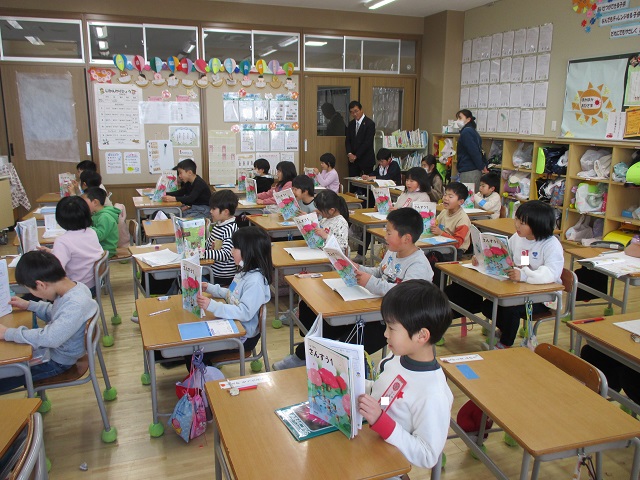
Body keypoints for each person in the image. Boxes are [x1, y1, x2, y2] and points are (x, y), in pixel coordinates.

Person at [274, 208, 432, 370]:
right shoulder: (393, 252)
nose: (385, 236)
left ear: (406, 238)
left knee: (347, 345)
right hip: (372, 308)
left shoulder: (418, 265)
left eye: (389, 233)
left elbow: (404, 295)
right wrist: (359, 268)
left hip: (393, 322)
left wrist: (369, 282)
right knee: (325, 324)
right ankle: (302, 356)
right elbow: (380, 272)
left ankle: (329, 366)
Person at [357, 280, 453, 470]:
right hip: (370, 441)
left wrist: (381, 421)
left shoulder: (433, 394)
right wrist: (358, 385)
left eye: (391, 328)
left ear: (421, 336)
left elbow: (427, 455)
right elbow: (387, 398)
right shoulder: (396, 358)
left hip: (388, 463)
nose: (385, 334)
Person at [444, 201, 563, 349]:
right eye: (516, 219)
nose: (517, 225)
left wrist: (525, 276)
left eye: (522, 223)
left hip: (543, 297)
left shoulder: (551, 245)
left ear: (538, 224)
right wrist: (481, 259)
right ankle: (505, 329)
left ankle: (505, 343)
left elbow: (551, 273)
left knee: (509, 309)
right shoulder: (519, 238)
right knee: (488, 306)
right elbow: (505, 257)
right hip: (516, 289)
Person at [0, 251, 98, 392]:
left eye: (30, 290)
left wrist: (7, 333)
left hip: (57, 362)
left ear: (40, 285)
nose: (32, 294)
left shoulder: (75, 304)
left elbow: (50, 338)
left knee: (5, 375)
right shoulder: (76, 288)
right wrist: (30, 305)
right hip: (54, 352)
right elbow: (57, 312)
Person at [195, 227, 272, 364]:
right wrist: (210, 288)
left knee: (197, 350)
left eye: (235, 248)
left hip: (243, 336)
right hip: (233, 325)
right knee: (195, 344)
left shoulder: (255, 282)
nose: (231, 251)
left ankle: (205, 375)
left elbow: (244, 312)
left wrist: (212, 305)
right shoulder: (244, 272)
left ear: (248, 252)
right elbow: (231, 295)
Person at [39, 196, 103, 292]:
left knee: (39, 288)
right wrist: (52, 251)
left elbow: (57, 270)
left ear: (59, 219)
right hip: (94, 283)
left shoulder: (62, 241)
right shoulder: (91, 232)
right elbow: (80, 253)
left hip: (77, 288)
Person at [201, 190, 239, 287]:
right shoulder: (218, 225)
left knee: (189, 278)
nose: (210, 211)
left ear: (225, 212)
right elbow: (208, 244)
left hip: (222, 275)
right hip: (212, 270)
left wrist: (202, 253)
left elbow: (225, 254)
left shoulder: (230, 229)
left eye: (213, 209)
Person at [431, 182, 472, 259]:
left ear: (460, 202)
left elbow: (457, 243)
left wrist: (441, 233)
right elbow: (436, 223)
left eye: (450, 196)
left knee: (432, 257)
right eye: (445, 195)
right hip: (441, 244)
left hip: (454, 250)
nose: (445, 198)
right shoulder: (444, 212)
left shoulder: (463, 219)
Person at [82, 187, 120, 258]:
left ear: (95, 202)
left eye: (84, 203)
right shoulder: (96, 214)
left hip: (106, 250)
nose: (82, 206)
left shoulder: (105, 217)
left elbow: (100, 236)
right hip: (98, 247)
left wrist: (86, 224)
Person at [455, 109, 487, 190]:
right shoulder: (472, 131)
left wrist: (481, 166)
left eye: (460, 118)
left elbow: (474, 152)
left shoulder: (466, 132)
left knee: (468, 196)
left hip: (469, 170)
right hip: (472, 169)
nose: (458, 120)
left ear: (468, 119)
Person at [345, 100, 376, 181]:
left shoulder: (370, 123)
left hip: (366, 159)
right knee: (353, 184)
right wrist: (349, 154)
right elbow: (348, 141)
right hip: (353, 161)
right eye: (352, 112)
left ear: (361, 109)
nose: (354, 114)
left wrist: (356, 156)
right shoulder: (351, 124)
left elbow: (367, 143)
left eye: (356, 111)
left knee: (366, 185)